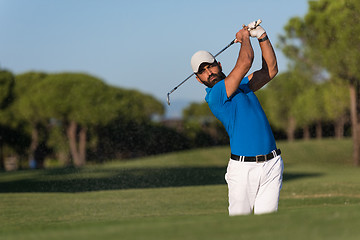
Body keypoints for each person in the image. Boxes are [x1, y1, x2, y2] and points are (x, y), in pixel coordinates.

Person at [190, 21, 284, 216]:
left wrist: (262, 36)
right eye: (203, 71)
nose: (209, 73)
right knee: (240, 229)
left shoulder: (242, 84)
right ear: (198, 79)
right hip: (243, 171)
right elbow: (246, 61)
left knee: (268, 228)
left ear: (219, 65)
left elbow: (271, 70)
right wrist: (244, 39)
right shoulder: (215, 95)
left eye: (211, 66)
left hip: (272, 164)